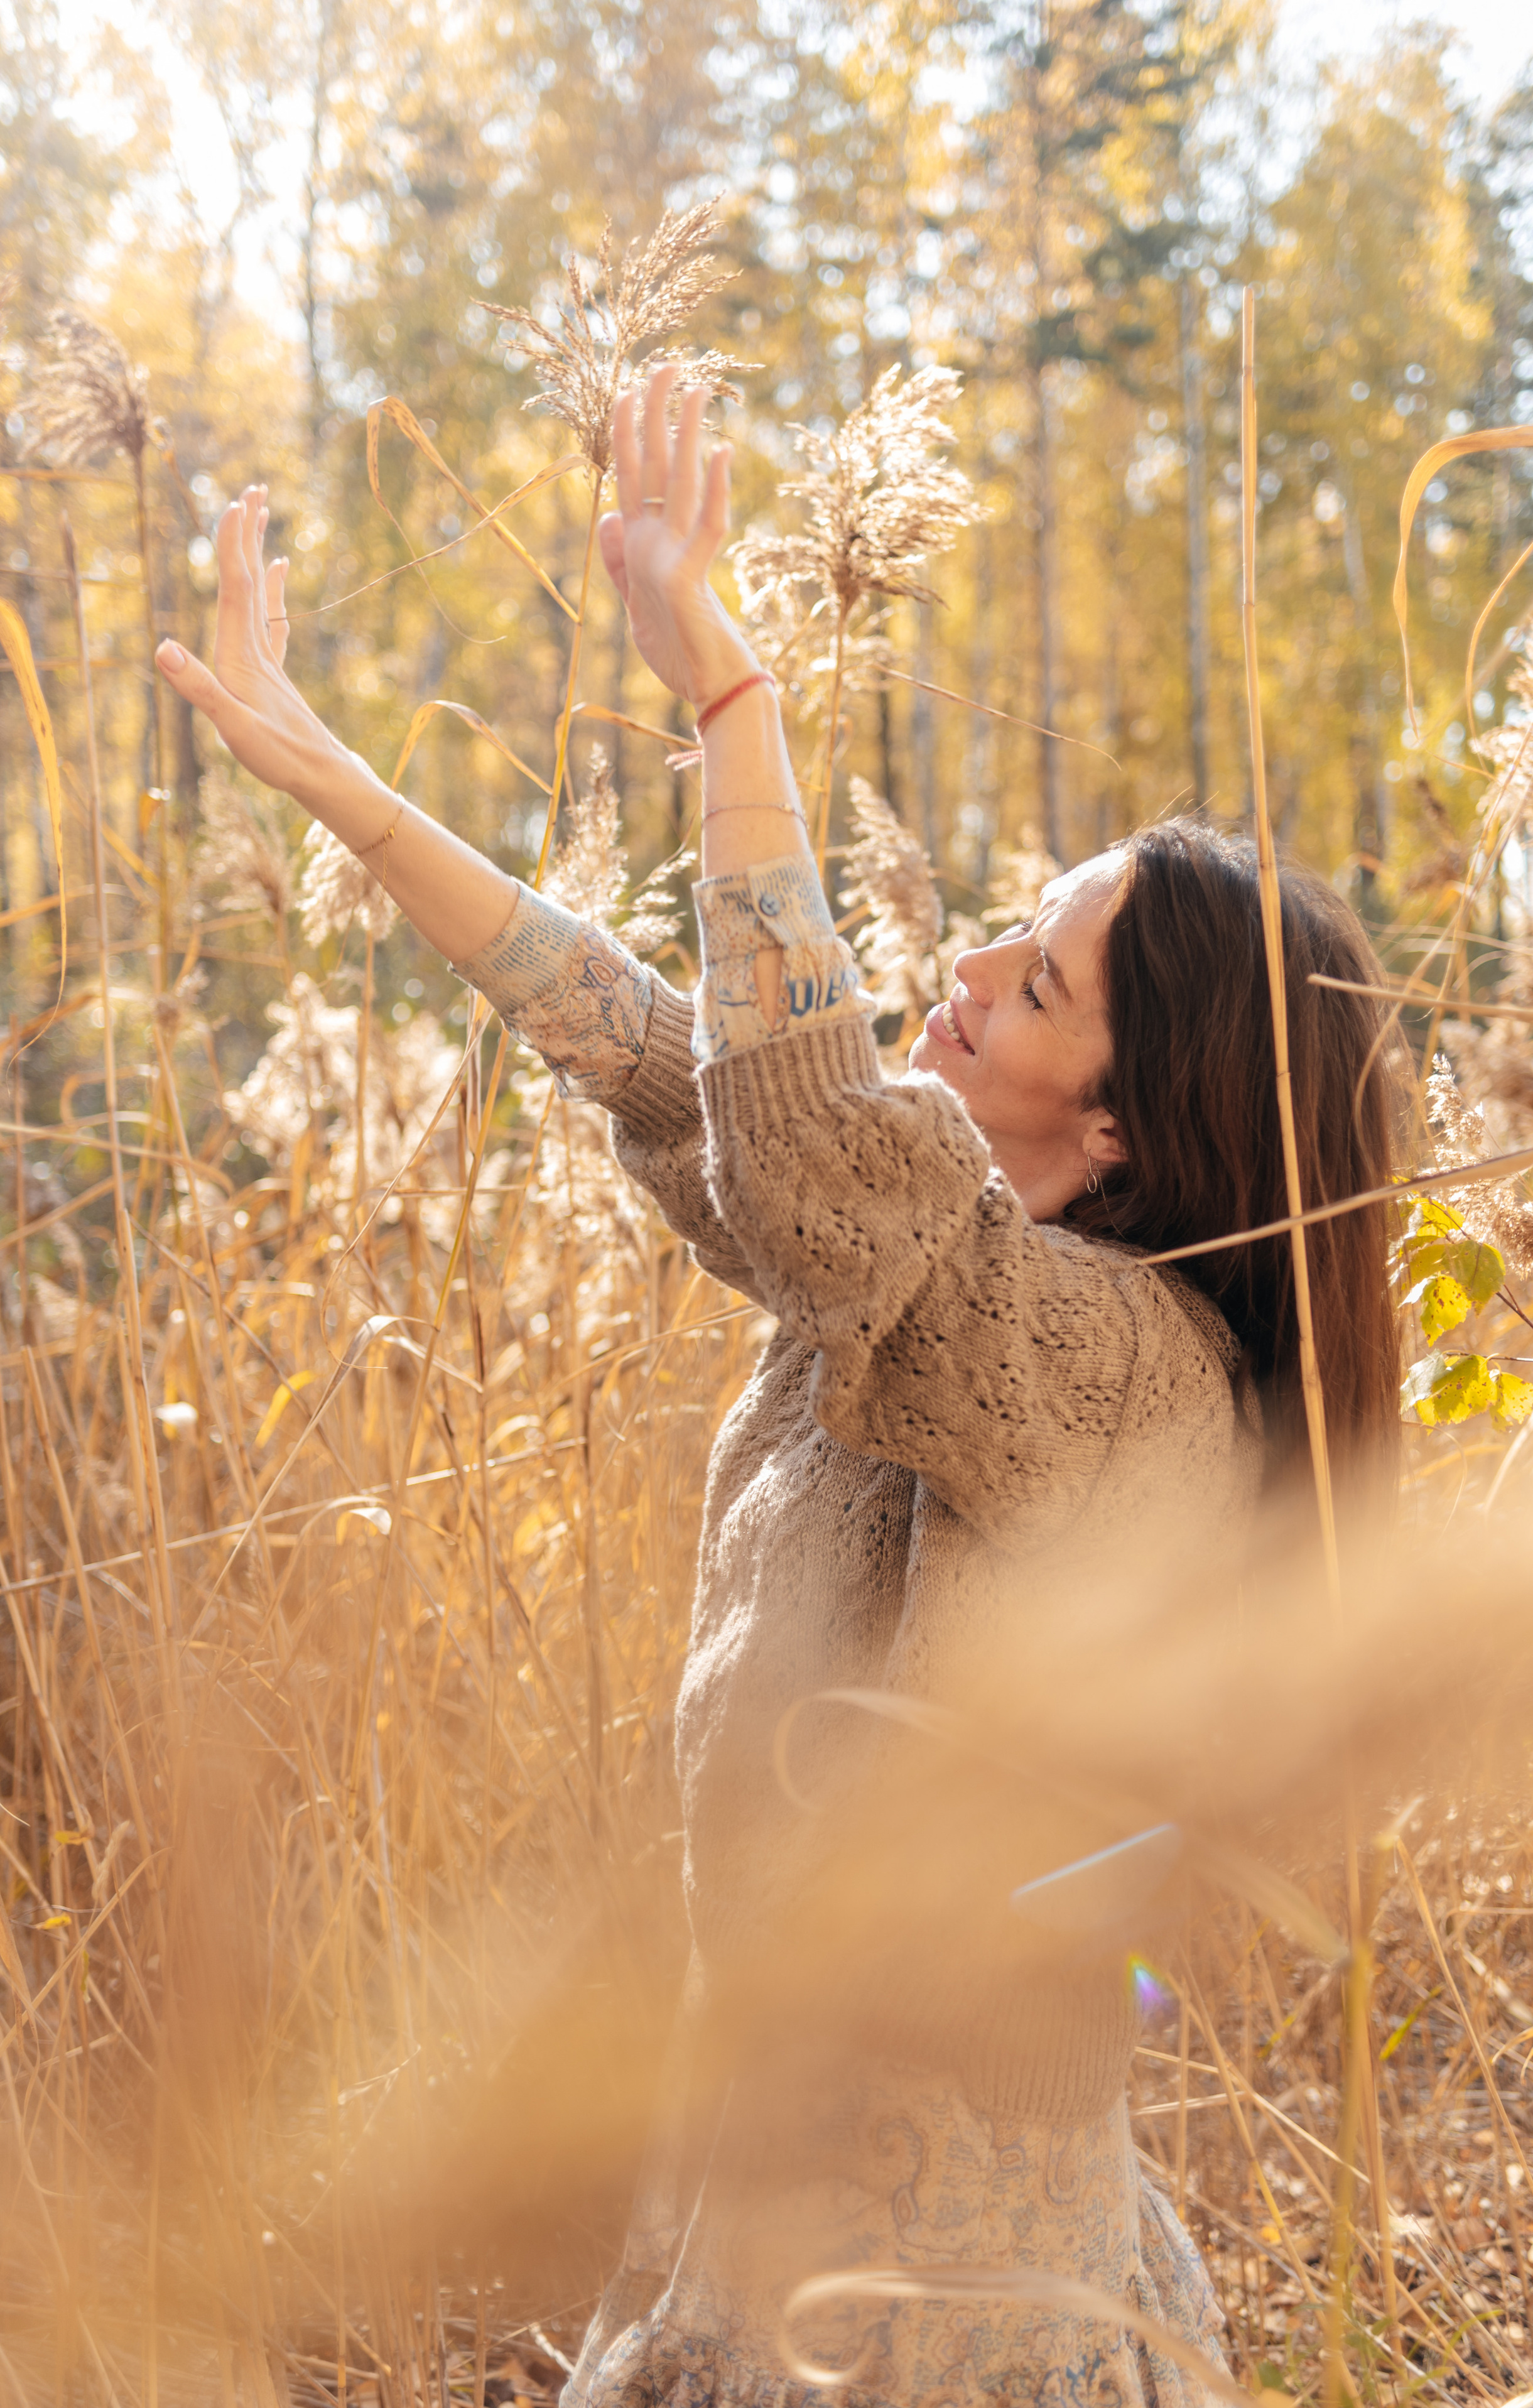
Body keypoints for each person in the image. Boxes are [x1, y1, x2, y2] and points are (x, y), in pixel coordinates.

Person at [158, 365, 1399, 2407]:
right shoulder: (939, 1276)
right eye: (1006, 924)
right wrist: (348, 797)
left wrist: (736, 706)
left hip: (934, 2236)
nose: (967, 973)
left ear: (1128, 1135)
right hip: (764, 2132)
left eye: (1037, 981)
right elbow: (669, 1057)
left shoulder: (1106, 1362)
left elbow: (815, 1151)